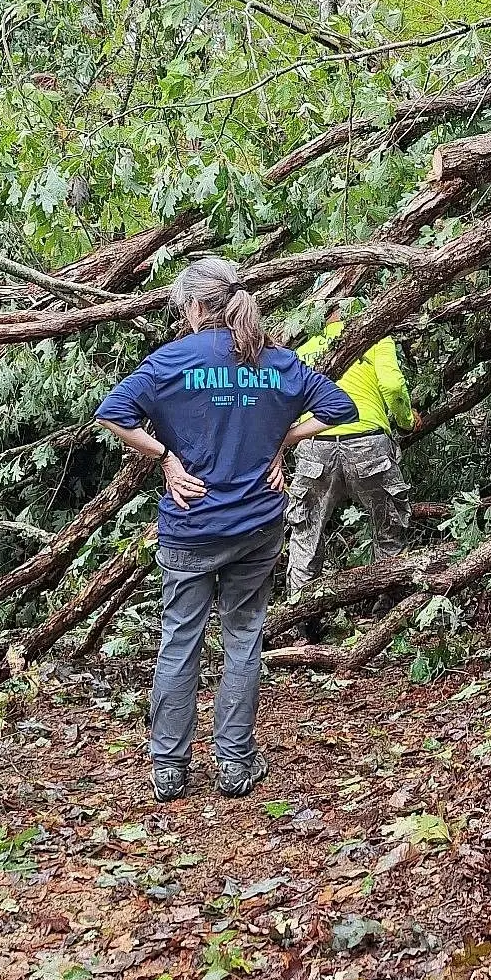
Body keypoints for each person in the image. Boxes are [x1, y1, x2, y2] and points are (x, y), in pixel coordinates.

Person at [95, 256, 357, 804]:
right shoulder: (276, 363)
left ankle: (169, 769)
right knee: (243, 640)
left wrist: (164, 456)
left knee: (180, 641)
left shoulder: (170, 361)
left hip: (190, 525)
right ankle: (236, 765)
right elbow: (340, 407)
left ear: (193, 306)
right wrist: (282, 439)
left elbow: (113, 412)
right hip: (257, 522)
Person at [283, 297, 415, 599]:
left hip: (316, 447)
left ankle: (298, 615)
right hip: (369, 446)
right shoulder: (375, 340)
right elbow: (393, 387)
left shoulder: (304, 352)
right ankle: (389, 607)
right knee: (389, 527)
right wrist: (406, 421)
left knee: (307, 532)